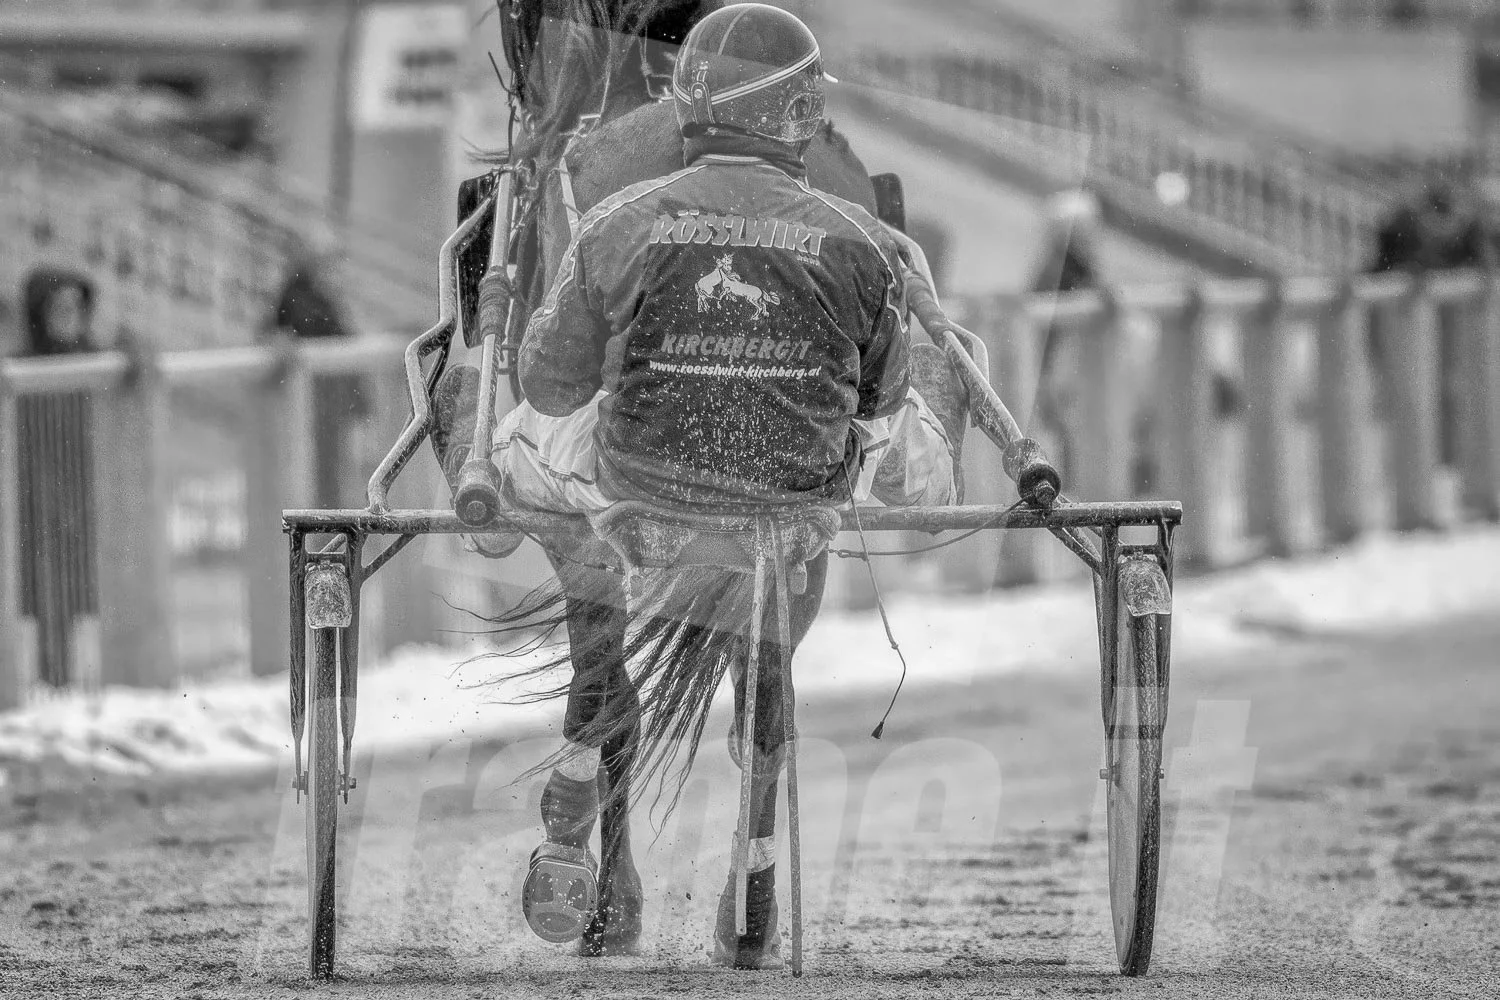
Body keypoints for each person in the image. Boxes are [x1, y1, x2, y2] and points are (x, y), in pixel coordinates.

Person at [430, 3, 969, 965]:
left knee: (512, 433)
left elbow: (550, 382)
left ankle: (502, 544)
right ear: (801, 116)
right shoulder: (864, 238)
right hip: (800, 496)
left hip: (635, 490)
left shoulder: (612, 217)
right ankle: (756, 860)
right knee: (899, 418)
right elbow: (879, 388)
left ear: (689, 107)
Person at [16, 268, 100, 690]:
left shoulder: (97, 361)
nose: (71, 318)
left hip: (82, 495)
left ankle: (74, 684)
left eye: (77, 308)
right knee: (44, 592)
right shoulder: (22, 370)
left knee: (81, 591)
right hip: (34, 501)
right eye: (60, 308)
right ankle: (51, 681)